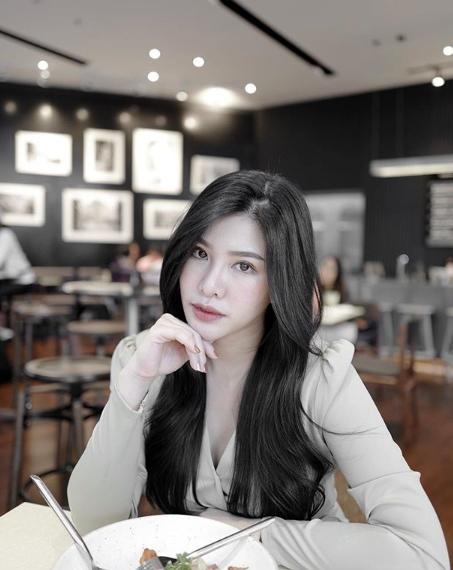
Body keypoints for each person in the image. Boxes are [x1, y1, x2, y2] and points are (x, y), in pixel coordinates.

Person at [68, 171, 449, 570]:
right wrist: (133, 384)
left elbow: (423, 555)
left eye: (244, 266)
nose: (210, 285)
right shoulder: (143, 357)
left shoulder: (321, 379)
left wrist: (251, 532)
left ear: (280, 280)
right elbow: (96, 528)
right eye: (200, 253)